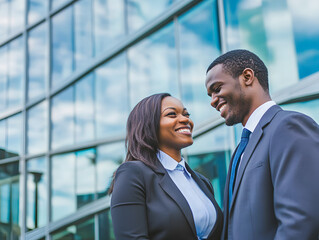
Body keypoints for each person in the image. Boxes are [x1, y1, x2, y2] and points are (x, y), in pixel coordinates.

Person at [205, 49, 319, 240]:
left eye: (216, 89)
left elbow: (301, 220)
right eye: (210, 95)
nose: (212, 101)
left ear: (247, 77)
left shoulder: (288, 127)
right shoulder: (240, 152)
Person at [110, 93, 223, 240]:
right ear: (148, 124)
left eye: (186, 114)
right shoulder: (133, 174)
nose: (185, 119)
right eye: (171, 114)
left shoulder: (203, 182)